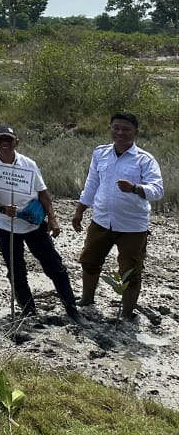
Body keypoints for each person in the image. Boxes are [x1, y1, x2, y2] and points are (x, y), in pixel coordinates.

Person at [0, 124, 81, 324]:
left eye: (9, 140)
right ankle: (28, 311)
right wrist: (3, 208)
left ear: (16, 142)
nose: (5, 144)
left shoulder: (29, 164)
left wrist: (53, 218)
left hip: (34, 224)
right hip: (7, 226)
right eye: (0, 140)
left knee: (55, 266)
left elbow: (42, 193)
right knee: (16, 270)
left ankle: (72, 308)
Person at [71, 112, 164, 319]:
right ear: (110, 128)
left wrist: (135, 188)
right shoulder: (101, 153)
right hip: (101, 220)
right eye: (116, 128)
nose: (120, 132)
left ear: (135, 132)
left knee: (130, 272)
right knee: (89, 261)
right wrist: (80, 210)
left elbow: (157, 190)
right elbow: (92, 183)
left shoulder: (145, 160)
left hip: (132, 226)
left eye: (126, 129)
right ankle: (87, 300)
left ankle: (127, 314)